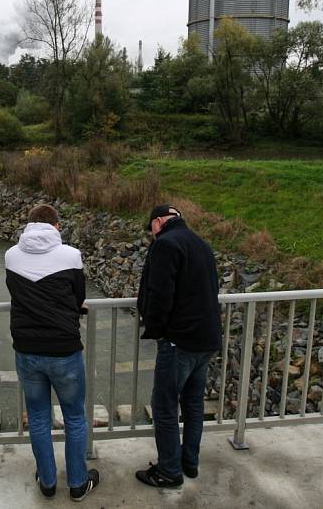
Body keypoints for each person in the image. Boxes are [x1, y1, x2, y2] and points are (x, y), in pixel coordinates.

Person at [5, 204, 100, 502]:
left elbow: (16, 292)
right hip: (63, 348)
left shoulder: (11, 255)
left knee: (37, 417)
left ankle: (47, 481)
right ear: (56, 225)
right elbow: (78, 296)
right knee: (74, 417)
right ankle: (77, 483)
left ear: (29, 224)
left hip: (27, 349)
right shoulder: (70, 255)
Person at [135, 204, 221, 488]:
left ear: (158, 222)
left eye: (152, 231)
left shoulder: (166, 245)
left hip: (179, 341)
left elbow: (160, 293)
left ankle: (169, 471)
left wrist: (156, 330)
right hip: (206, 339)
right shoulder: (201, 244)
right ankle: (189, 463)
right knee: (193, 404)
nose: (153, 236)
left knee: (165, 406)